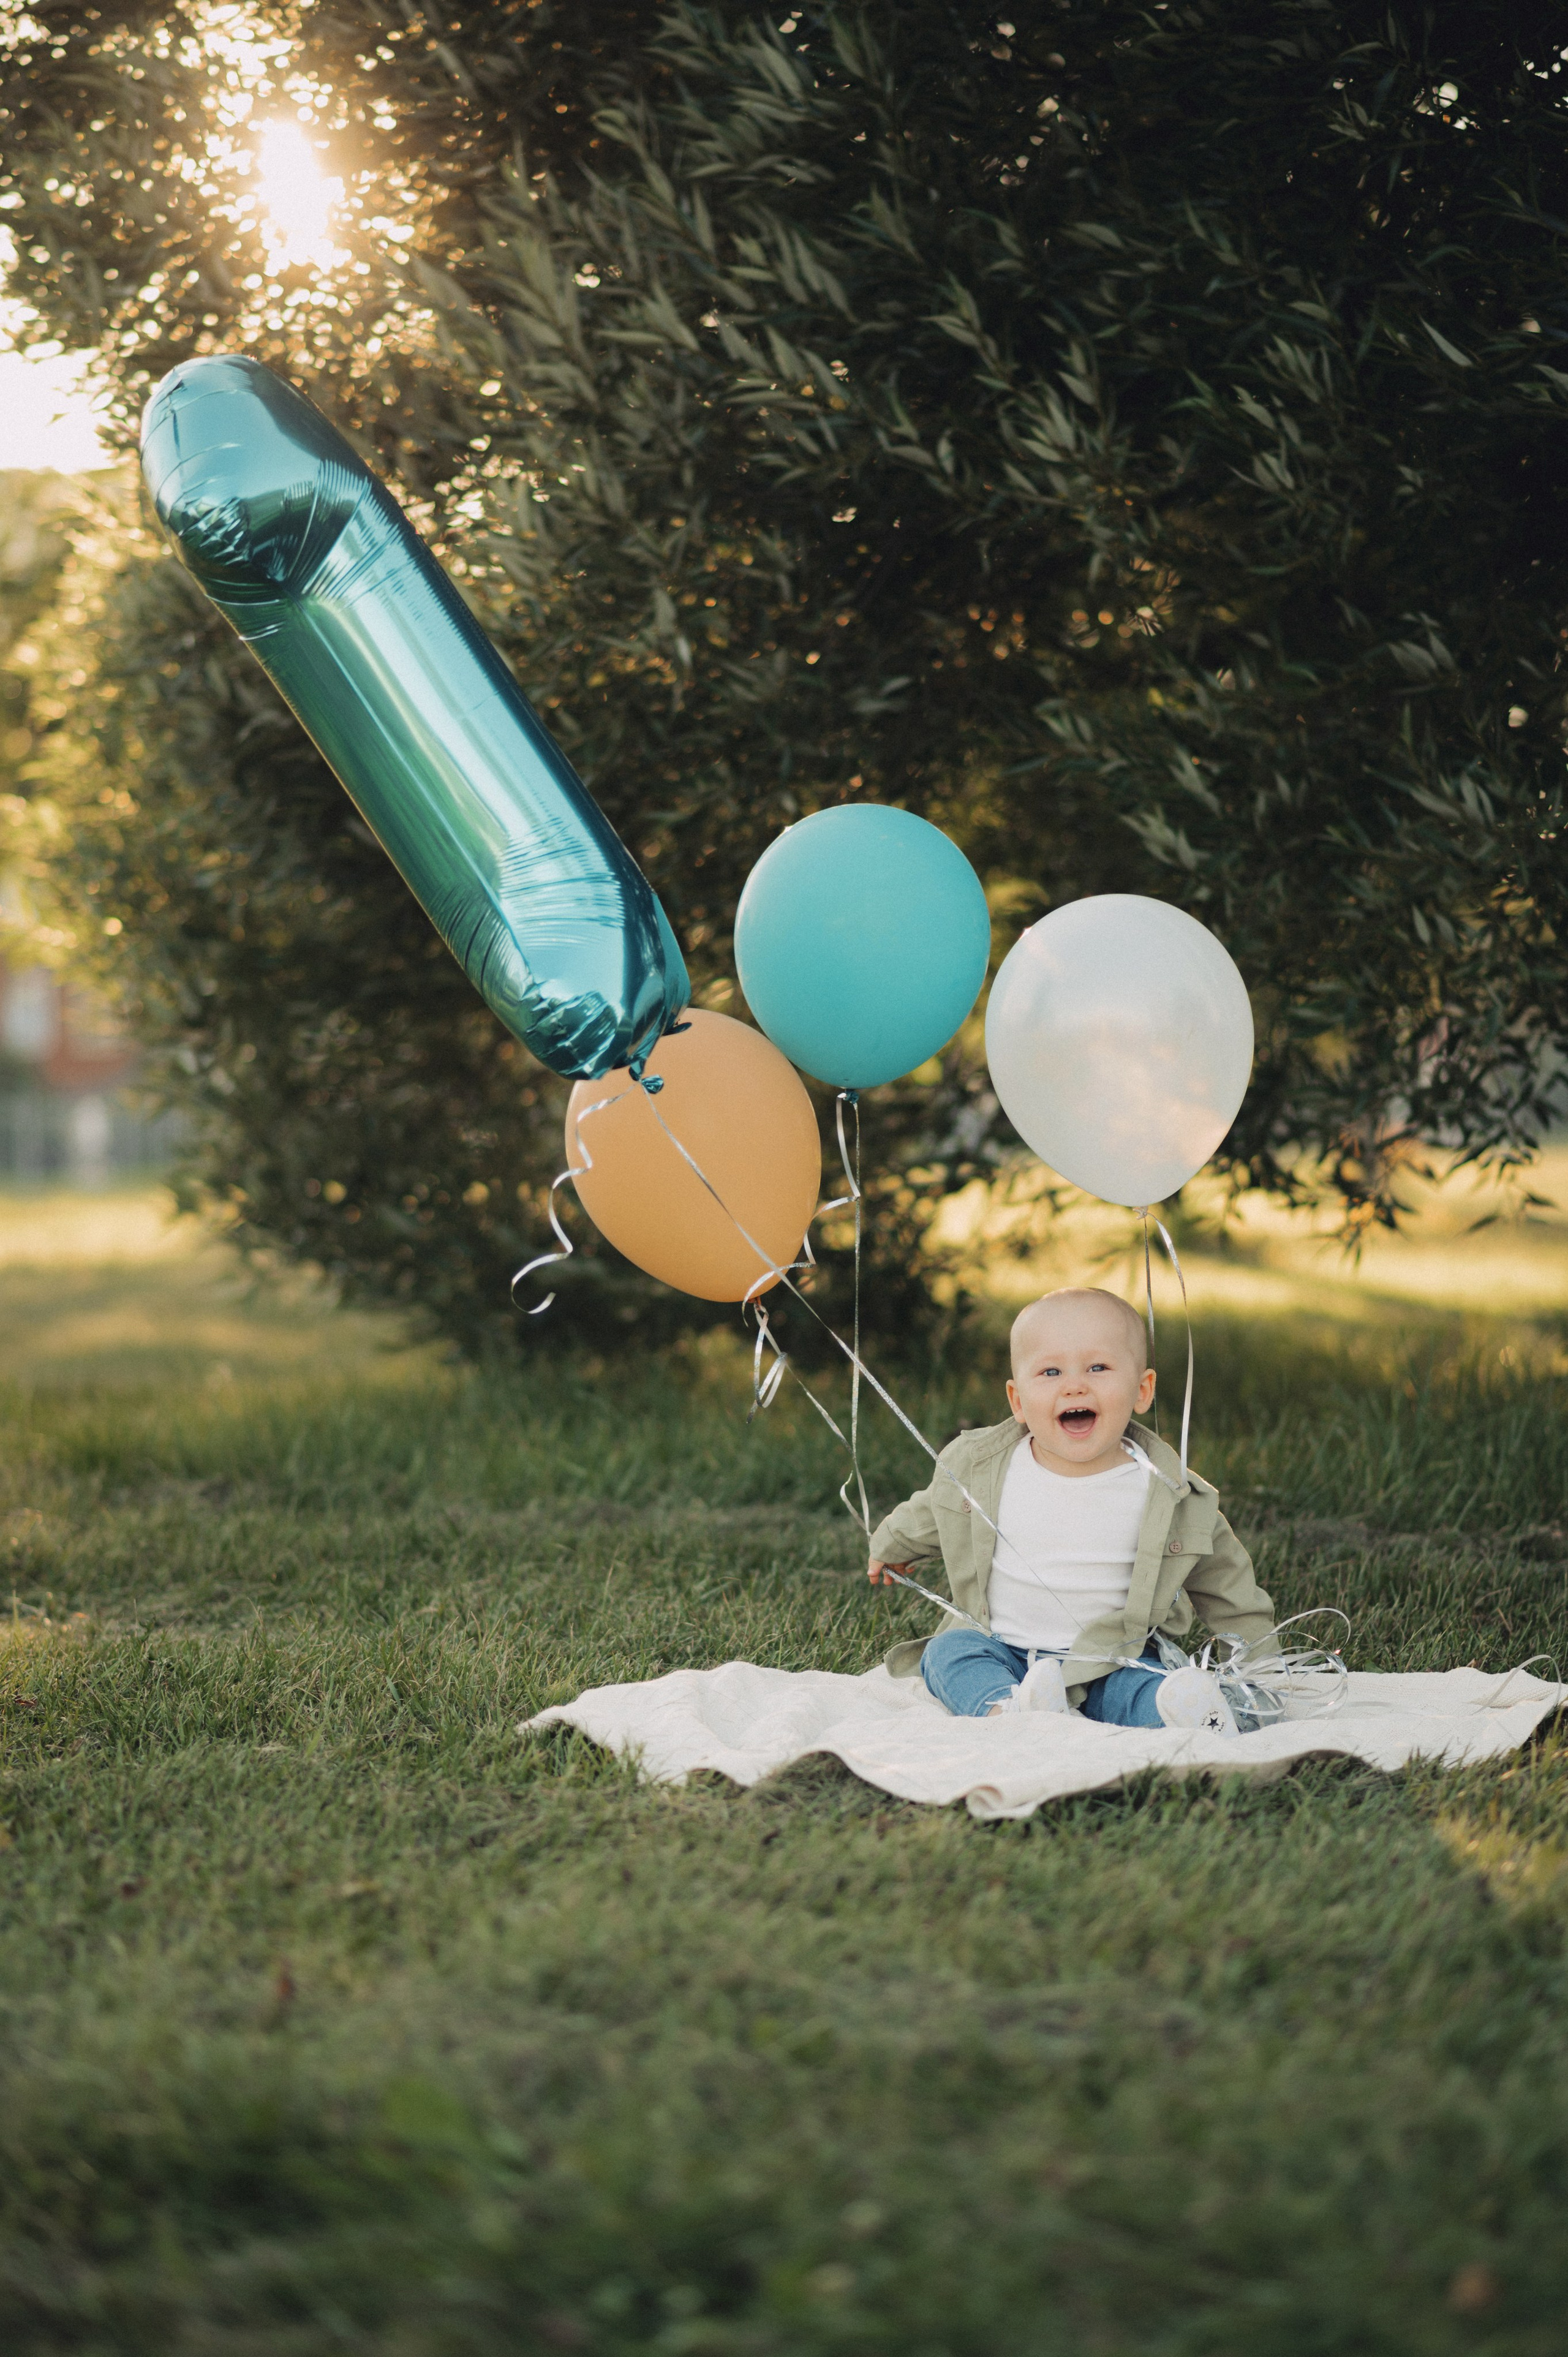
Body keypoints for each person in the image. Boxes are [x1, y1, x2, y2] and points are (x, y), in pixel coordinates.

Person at [866, 1286, 1275, 1734]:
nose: (1074, 1385)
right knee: (948, 1655)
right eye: (1050, 1371)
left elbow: (1228, 1585)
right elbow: (935, 1508)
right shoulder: (986, 1469)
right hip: (1001, 1647)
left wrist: (1260, 1666)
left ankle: (1190, 1713)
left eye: (1098, 1367)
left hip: (1112, 1658)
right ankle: (1008, 1711)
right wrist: (893, 1543)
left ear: (1143, 1390)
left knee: (1143, 1684)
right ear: (1018, 1400)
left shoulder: (1171, 1495)